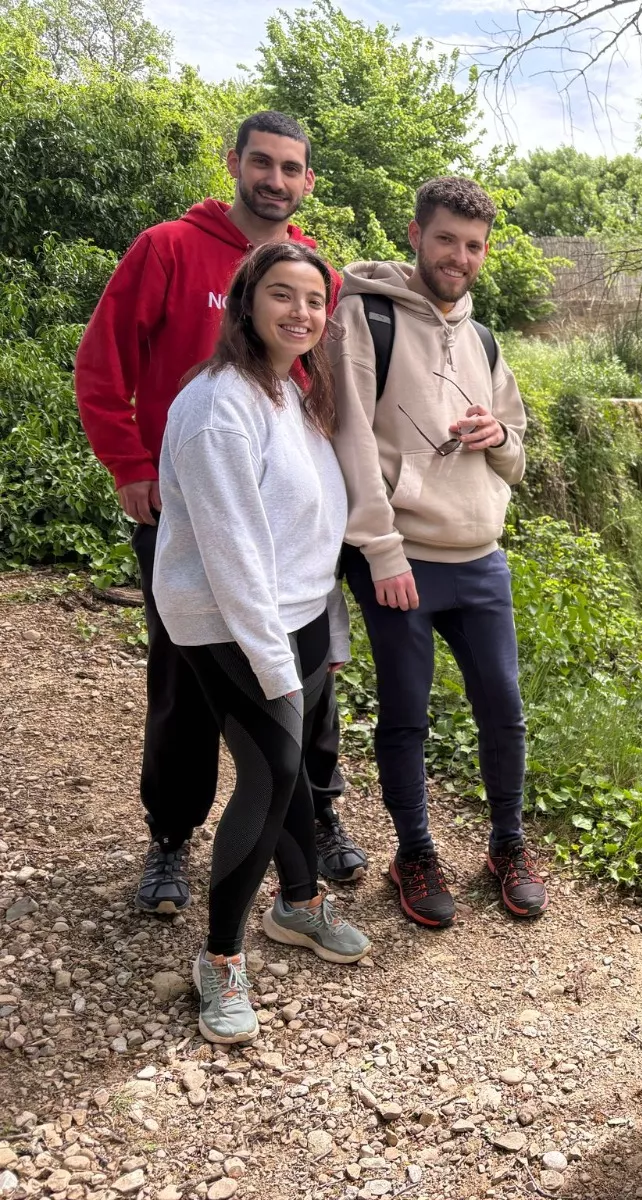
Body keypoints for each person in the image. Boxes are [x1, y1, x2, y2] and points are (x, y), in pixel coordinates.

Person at [74, 111, 369, 916]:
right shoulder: (168, 247)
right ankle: (171, 836)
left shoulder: (316, 272)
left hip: (288, 527)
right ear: (234, 162)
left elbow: (325, 391)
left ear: (308, 180)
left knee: (307, 682)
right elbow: (102, 363)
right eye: (262, 163)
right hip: (186, 515)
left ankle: (318, 812)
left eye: (292, 168)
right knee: (188, 679)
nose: (275, 180)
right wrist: (129, 465)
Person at [154, 241, 372, 1045]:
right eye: (282, 295)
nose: (301, 312)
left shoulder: (290, 392)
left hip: (301, 612)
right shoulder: (218, 407)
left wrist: (330, 627)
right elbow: (232, 551)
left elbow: (314, 527)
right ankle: (220, 958)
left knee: (298, 767)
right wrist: (275, 662)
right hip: (233, 621)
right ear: (245, 302)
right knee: (274, 769)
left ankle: (299, 902)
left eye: (314, 300)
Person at [329, 176, 539, 928]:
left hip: (479, 552)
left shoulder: (482, 336)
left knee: (503, 709)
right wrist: (380, 551)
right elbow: (348, 436)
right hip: (403, 556)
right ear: (416, 235)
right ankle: (413, 852)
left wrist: (500, 436)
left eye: (474, 245)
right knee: (406, 713)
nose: (460, 256)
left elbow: (518, 450)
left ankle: (507, 845)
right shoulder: (364, 316)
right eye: (446, 239)